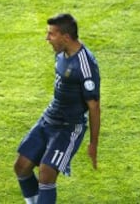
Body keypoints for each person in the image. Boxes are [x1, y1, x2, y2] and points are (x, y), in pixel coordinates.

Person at [14, 13, 101, 204]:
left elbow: (94, 107)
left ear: (66, 37)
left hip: (69, 127)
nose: (47, 39)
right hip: (49, 118)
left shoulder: (85, 65)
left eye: (51, 34)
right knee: (21, 167)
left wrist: (93, 144)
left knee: (46, 173)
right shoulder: (61, 53)